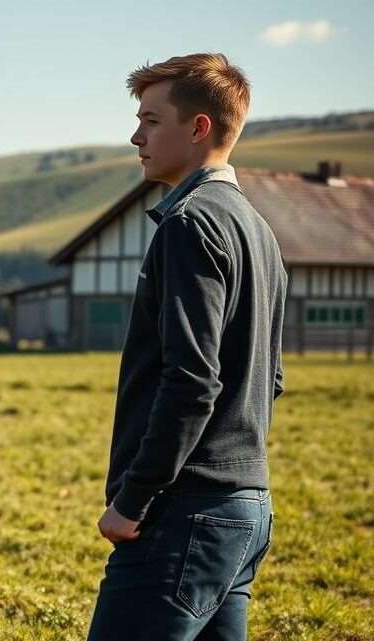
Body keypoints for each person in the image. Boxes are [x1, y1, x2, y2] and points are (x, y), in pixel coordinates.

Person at [87, 53, 287, 640]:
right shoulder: (259, 231)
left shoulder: (189, 223)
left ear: (198, 128)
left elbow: (193, 381)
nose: (135, 135)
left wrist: (133, 498)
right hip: (247, 509)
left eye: (151, 120)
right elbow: (268, 378)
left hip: (184, 513)